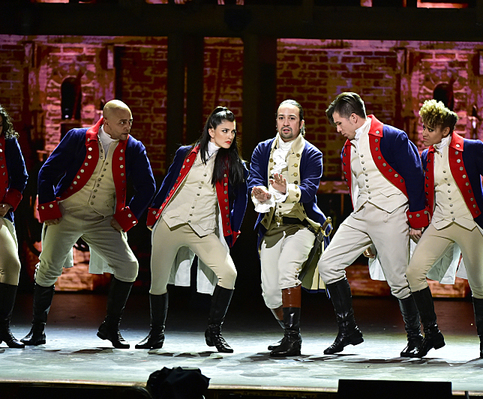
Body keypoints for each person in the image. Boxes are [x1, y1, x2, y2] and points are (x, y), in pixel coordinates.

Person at [22, 99, 156, 348]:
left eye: (130, 122)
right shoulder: (77, 137)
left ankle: (110, 328)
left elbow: (148, 186)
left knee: (129, 267)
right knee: (48, 268)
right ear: (106, 121)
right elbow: (47, 172)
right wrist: (49, 207)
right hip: (67, 213)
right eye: (122, 122)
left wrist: (127, 217)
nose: (128, 126)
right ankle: (37, 330)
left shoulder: (134, 148)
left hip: (102, 219)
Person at [318, 92, 429, 356]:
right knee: (328, 264)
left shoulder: (392, 136)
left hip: (392, 213)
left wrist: (416, 218)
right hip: (363, 214)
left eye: (339, 123)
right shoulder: (348, 148)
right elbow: (356, 187)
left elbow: (415, 177)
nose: (337, 129)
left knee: (399, 280)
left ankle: (415, 337)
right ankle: (348, 331)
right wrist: (367, 238)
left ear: (353, 118)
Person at [136, 106, 248, 353]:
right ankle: (156, 334)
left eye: (233, 131)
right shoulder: (185, 153)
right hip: (171, 223)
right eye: (224, 130)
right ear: (211, 131)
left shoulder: (234, 164)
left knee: (229, 274)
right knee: (158, 281)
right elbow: (168, 182)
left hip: (203, 228)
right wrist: (155, 212)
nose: (230, 136)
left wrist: (234, 228)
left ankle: (214, 331)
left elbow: (242, 199)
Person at [405, 99, 483, 359]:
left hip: (469, 221)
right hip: (440, 223)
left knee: (479, 283)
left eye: (429, 128)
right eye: (423, 127)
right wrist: (417, 222)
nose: (423, 132)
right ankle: (433, 333)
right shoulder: (425, 156)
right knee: (414, 272)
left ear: (445, 130)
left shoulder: (471, 148)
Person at [248, 99, 330, 357]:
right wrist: (259, 194)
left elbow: (309, 192)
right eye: (282, 117)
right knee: (270, 293)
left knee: (287, 271)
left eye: (291, 118)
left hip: (302, 225)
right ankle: (290, 333)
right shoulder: (262, 150)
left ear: (301, 123)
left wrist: (286, 190)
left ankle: (292, 339)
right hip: (272, 225)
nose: (286, 123)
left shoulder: (312, 153)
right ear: (276, 122)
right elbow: (253, 179)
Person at [0, 105, 28, 349]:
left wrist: (8, 204)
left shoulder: (8, 143)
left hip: (0, 213)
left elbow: (20, 177)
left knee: (11, 264)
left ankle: (3, 327)